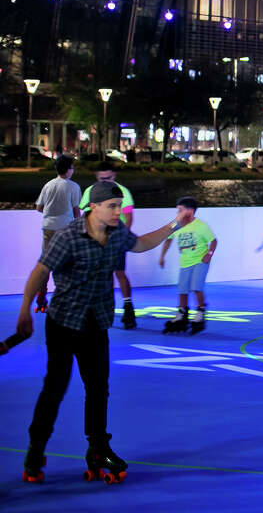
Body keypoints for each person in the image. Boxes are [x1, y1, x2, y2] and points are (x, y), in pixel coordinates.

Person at [16, 181, 195, 484]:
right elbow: (41, 270)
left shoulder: (116, 234)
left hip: (96, 323)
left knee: (98, 389)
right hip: (63, 323)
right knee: (55, 388)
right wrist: (25, 310)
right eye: (112, 206)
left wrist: (176, 223)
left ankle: (98, 448)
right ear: (93, 207)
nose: (119, 212)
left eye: (120, 206)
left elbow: (142, 243)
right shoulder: (68, 237)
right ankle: (36, 448)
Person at [78, 162, 137, 329]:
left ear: (114, 176)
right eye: (102, 178)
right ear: (97, 176)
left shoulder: (123, 191)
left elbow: (129, 217)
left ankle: (128, 308)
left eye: (108, 178)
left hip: (115, 239)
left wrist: (120, 236)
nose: (105, 181)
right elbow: (85, 214)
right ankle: (96, 309)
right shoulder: (90, 191)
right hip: (95, 240)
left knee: (119, 273)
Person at [158, 197, 217, 335]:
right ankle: (182, 312)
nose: (178, 213)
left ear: (190, 211)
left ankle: (201, 311)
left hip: (200, 261)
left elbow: (214, 241)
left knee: (196, 287)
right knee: (182, 289)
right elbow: (168, 239)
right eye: (177, 210)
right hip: (185, 262)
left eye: (180, 210)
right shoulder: (176, 225)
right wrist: (162, 256)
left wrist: (209, 253)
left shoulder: (201, 225)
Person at [33, 155, 82, 312]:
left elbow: (39, 208)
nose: (73, 170)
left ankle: (41, 298)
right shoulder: (73, 187)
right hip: (65, 230)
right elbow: (76, 211)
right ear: (68, 170)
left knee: (46, 264)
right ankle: (66, 299)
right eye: (72, 167)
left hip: (48, 228)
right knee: (67, 265)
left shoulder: (48, 185)